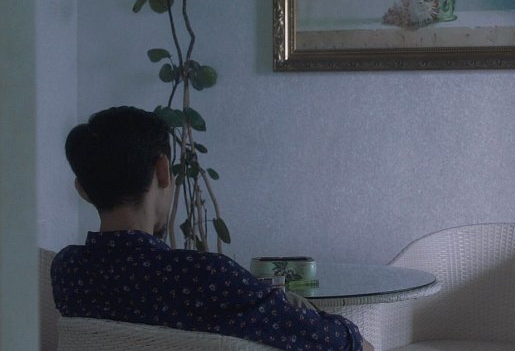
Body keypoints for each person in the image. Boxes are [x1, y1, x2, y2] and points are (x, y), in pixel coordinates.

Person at [52, 106, 375, 351]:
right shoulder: (202, 277)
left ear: (82, 189)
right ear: (163, 170)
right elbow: (333, 341)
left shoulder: (67, 270)